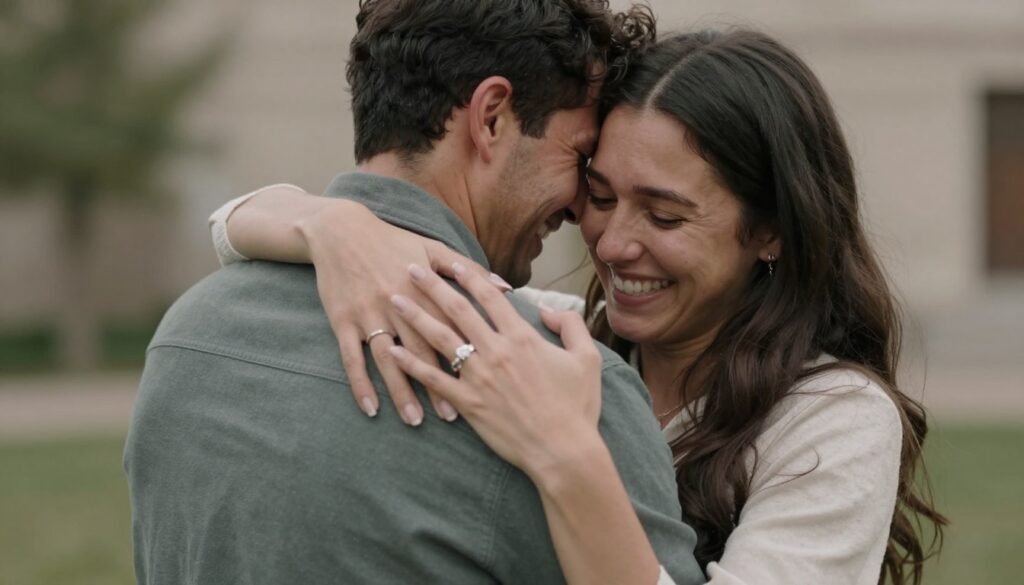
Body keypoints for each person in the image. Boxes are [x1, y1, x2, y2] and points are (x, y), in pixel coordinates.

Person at [209, 29, 948, 584]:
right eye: (599, 197)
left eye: (664, 216)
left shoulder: (833, 417)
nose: (615, 243)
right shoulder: (546, 332)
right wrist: (337, 226)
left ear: (770, 232)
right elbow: (229, 225)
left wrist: (564, 452)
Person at [124, 2, 707, 585]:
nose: (582, 205)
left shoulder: (184, 337)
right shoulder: (568, 386)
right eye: (578, 156)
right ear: (493, 118)